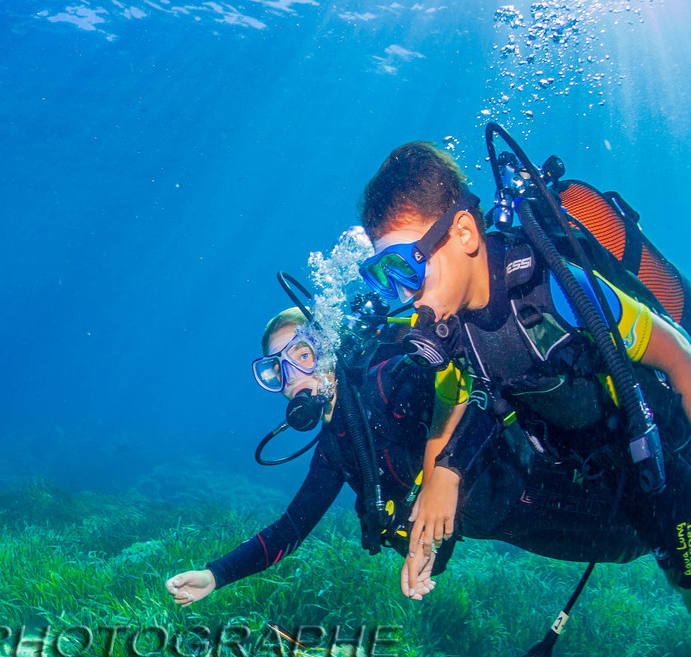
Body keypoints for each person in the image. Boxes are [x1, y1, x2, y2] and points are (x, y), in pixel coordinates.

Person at [355, 140, 691, 605]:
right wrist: (428, 516)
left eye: (409, 267)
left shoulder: (555, 289)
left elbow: (677, 356)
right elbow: (447, 416)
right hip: (596, 468)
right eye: (384, 277)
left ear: (465, 234)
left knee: (685, 574)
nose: (404, 294)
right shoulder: (454, 333)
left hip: (661, 448)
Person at [164, 306, 643, 607]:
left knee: (645, 529)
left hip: (539, 476)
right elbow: (289, 530)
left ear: (328, 350)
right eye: (277, 369)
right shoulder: (334, 449)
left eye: (302, 354)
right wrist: (215, 575)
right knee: (633, 547)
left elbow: (478, 393)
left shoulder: (388, 380)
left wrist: (446, 474)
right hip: (508, 525)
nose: (291, 375)